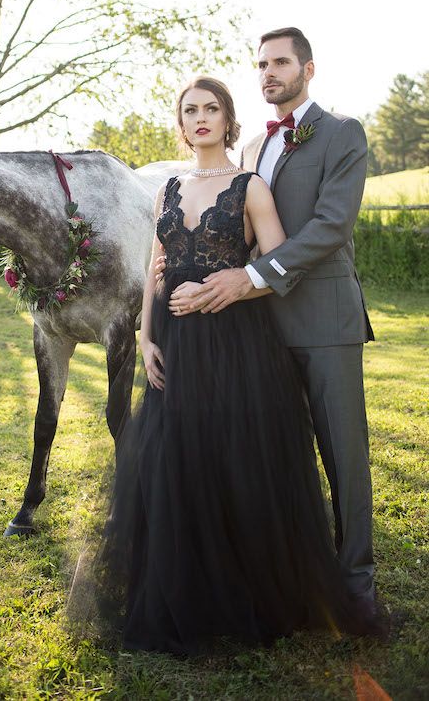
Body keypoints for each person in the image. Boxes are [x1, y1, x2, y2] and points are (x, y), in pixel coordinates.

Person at [100, 75, 375, 655]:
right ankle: (187, 589)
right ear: (181, 123)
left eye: (212, 108)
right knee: (176, 462)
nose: (201, 118)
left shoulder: (250, 185)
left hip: (234, 341)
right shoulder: (167, 188)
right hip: (174, 343)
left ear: (228, 119)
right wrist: (147, 337)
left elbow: (276, 266)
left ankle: (249, 591)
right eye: (190, 110)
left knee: (233, 460)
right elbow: (156, 267)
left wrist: (228, 288)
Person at [167, 29, 378, 630]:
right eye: (261, 64)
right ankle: (286, 574)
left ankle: (357, 580)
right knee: (275, 457)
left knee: (343, 454)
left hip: (322, 321)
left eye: (280, 62)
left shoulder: (342, 133)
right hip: (255, 333)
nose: (268, 73)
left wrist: (250, 276)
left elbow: (331, 228)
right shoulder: (256, 146)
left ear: (308, 68)